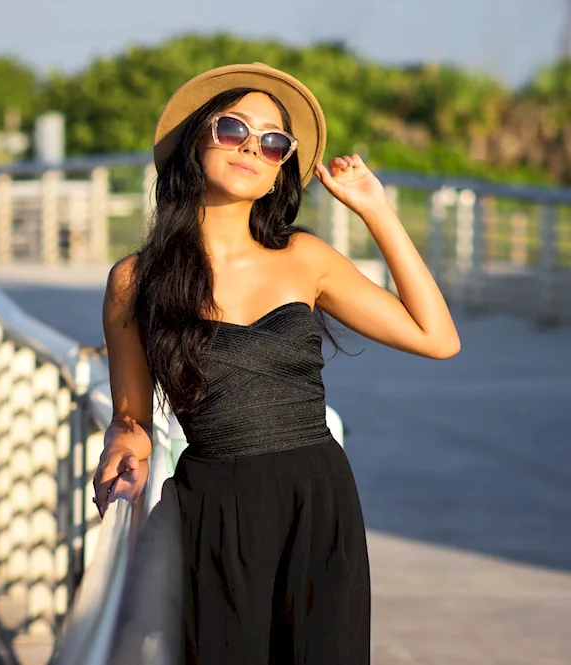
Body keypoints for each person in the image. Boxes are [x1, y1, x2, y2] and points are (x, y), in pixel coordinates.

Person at [92, 63, 461, 664]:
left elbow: (436, 337)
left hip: (317, 502)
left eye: (272, 143)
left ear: (277, 175)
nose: (251, 148)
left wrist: (377, 211)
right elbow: (131, 415)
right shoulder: (135, 281)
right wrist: (121, 447)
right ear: (195, 143)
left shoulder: (304, 258)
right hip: (213, 509)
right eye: (233, 127)